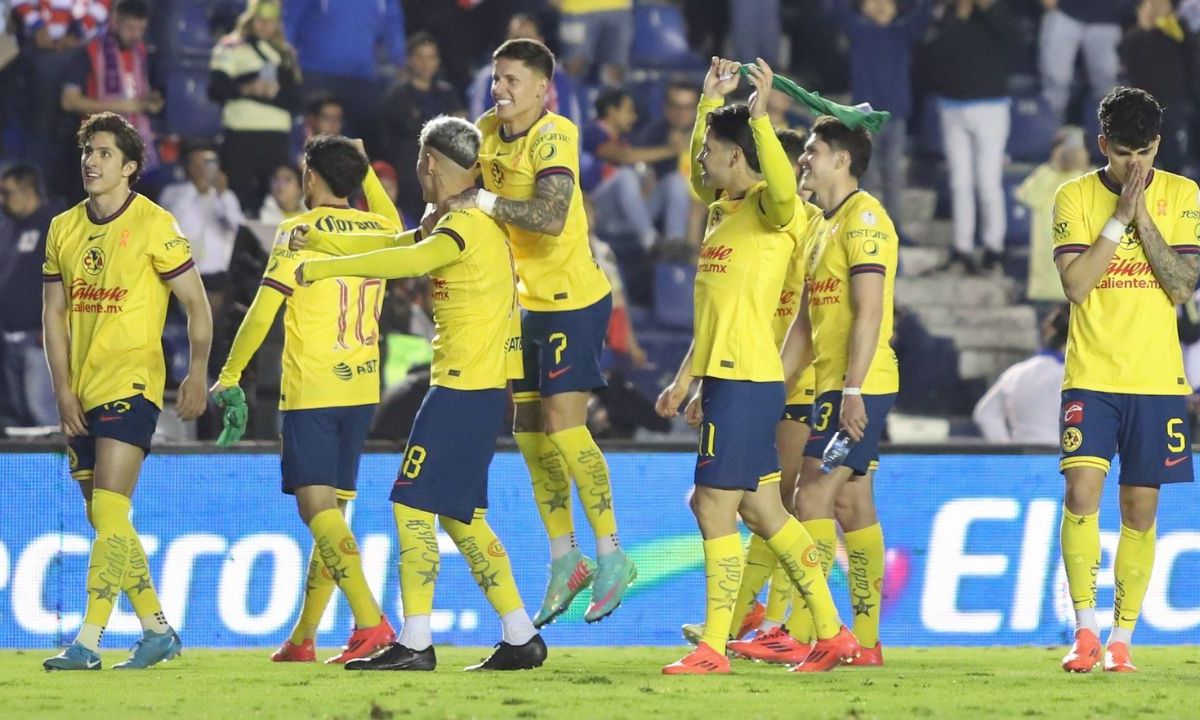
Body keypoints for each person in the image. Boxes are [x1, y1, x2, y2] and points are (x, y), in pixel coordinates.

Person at [295, 116, 546, 672]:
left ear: (429, 163)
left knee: (411, 502)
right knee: (461, 517)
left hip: (462, 388)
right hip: (478, 388)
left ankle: (414, 643)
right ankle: (520, 634)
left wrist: (325, 268)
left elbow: (406, 260)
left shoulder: (465, 227)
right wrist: (335, 224)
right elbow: (399, 240)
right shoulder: (460, 220)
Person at [655, 57, 859, 675]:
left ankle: (714, 648)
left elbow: (771, 175)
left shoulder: (779, 213)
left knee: (710, 506)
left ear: (738, 156)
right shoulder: (723, 209)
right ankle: (831, 633)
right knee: (761, 511)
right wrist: (689, 378)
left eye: (713, 151)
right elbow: (718, 308)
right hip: (727, 375)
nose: (702, 162)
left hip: (749, 378)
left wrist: (759, 117)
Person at [446, 38, 636, 628]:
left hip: (573, 299)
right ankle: (565, 558)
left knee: (563, 424)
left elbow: (551, 218)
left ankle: (611, 555)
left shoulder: (556, 134)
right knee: (529, 433)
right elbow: (463, 194)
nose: (499, 88)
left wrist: (479, 198)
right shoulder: (483, 130)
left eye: (511, 80)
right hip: (524, 304)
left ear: (541, 89)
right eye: (496, 78)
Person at [211, 135, 399, 665]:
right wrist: (360, 169)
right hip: (362, 387)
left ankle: (370, 622)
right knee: (333, 513)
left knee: (316, 510)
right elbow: (392, 214)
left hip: (314, 387)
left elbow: (263, 311)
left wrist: (229, 374)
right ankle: (304, 637)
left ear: (312, 177)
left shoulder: (299, 231)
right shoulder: (385, 229)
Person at [41, 112, 212, 670]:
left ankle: (88, 642)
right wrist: (62, 391)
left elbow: (196, 303)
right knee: (107, 520)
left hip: (134, 384)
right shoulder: (63, 228)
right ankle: (156, 629)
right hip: (83, 392)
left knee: (111, 510)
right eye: (88, 151)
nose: (91, 160)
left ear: (130, 167)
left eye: (106, 153)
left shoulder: (156, 224)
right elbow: (54, 316)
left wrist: (197, 371)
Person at [1052, 86, 1200, 673]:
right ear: (1102, 145)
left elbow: (1183, 286)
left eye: (1144, 154)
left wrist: (1141, 218)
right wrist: (1118, 219)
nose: (1134, 167)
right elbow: (1077, 284)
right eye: (1122, 155)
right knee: (1081, 493)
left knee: (1140, 510)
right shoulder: (1074, 196)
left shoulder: (1184, 194)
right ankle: (1085, 631)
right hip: (1090, 373)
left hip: (1158, 378)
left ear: (1158, 145)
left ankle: (1122, 640)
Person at [780, 113, 900, 668]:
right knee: (852, 503)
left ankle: (810, 634)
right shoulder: (820, 227)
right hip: (835, 384)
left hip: (860, 384)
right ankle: (867, 644)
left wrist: (853, 389)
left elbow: (870, 309)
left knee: (812, 495)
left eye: (813, 149)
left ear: (842, 160)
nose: (803, 158)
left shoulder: (866, 218)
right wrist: (772, 390)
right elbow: (804, 326)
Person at [922, 0, 1018, 275]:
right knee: (959, 182)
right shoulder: (947, 17)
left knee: (988, 182)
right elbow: (934, 56)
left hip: (991, 107)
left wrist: (985, 8)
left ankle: (993, 248)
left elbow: (1015, 39)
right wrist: (958, 16)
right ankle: (962, 247)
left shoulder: (995, 13)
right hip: (952, 107)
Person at [208, 0, 302, 212]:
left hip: (276, 139)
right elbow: (216, 89)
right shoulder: (230, 46)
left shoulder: (285, 54)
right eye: (261, 20)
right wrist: (247, 88)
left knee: (277, 205)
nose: (265, 26)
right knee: (239, 202)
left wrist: (273, 94)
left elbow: (296, 102)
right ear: (251, 18)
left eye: (271, 21)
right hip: (242, 136)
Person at [60, 0, 162, 171]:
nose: (136, 35)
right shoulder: (89, 50)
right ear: (115, 21)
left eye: (141, 29)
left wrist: (151, 103)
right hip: (96, 145)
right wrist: (124, 107)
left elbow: (142, 94)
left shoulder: (141, 52)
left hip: (133, 145)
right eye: (130, 28)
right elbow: (68, 101)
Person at [583, 88, 688, 251]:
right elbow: (623, 157)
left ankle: (675, 243)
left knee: (674, 180)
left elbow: (638, 172)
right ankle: (650, 240)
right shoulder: (593, 131)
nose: (634, 117)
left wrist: (647, 179)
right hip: (601, 212)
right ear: (611, 111)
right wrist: (672, 149)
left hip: (632, 215)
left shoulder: (624, 140)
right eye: (629, 111)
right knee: (625, 175)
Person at [381, 32, 466, 225]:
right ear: (410, 59)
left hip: (444, 174)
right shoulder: (397, 96)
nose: (425, 63)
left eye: (431, 57)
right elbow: (390, 140)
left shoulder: (448, 94)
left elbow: (459, 132)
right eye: (420, 56)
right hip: (409, 175)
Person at [0, 164, 59, 427]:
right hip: (10, 336)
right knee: (17, 413)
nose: (2, 199)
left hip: (39, 337)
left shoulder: (55, 224)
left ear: (28, 191)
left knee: (40, 408)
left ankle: (60, 467)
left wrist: (54, 325)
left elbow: (69, 278)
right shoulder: (12, 227)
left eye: (7, 192)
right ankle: (25, 469)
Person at [973, 305, 1069, 443]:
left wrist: (1007, 449)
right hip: (1058, 459)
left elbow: (985, 414)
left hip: (1022, 459)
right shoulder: (1071, 377)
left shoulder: (1015, 373)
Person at [1016, 126, 1089, 304]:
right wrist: (1053, 166)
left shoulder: (1088, 179)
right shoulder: (1044, 175)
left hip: (1080, 287)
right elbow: (1026, 197)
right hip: (1045, 288)